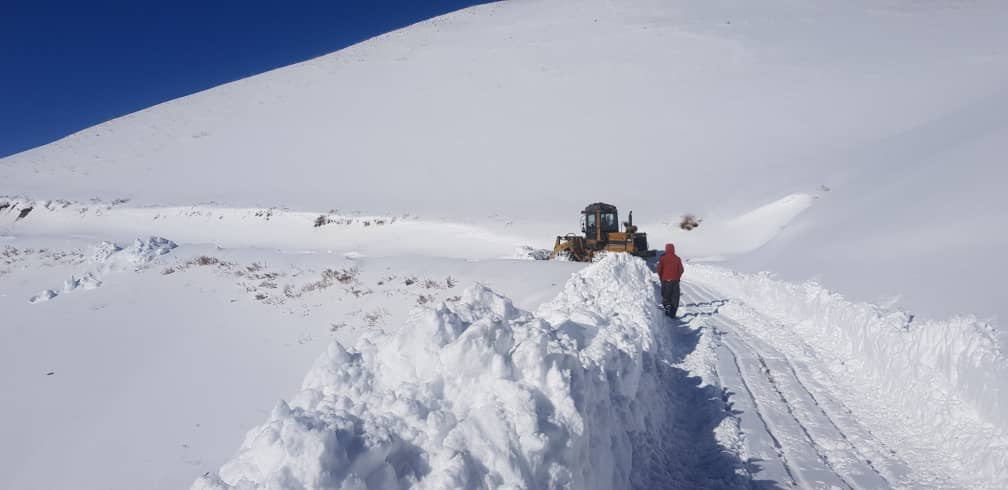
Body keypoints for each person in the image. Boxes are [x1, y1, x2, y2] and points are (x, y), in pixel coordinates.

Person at [656, 243, 684, 317]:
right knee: (675, 297)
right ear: (673, 249)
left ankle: (667, 305)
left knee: (666, 295)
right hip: (675, 281)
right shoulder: (677, 258)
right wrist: (678, 277)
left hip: (666, 280)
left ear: (666, 249)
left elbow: (659, 270)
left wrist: (661, 278)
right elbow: (681, 270)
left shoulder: (663, 258)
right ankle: (673, 313)